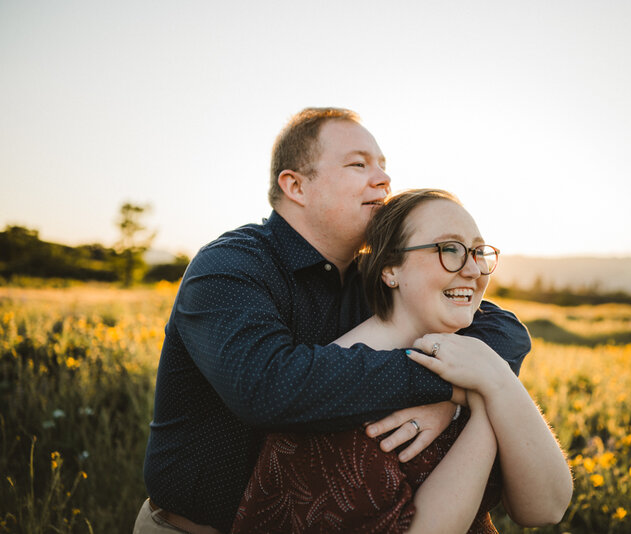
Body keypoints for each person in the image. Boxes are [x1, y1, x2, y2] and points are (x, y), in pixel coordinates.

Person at [135, 109, 532, 533]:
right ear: (296, 186)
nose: (383, 180)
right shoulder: (230, 267)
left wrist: (450, 398)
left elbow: (503, 330)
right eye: (359, 164)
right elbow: (269, 388)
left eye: (383, 167)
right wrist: (453, 385)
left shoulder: (373, 275)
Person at [231, 189, 572, 533]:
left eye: (478, 252)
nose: (473, 270)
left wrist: (494, 379)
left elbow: (546, 508)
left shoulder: (473, 356)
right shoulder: (340, 394)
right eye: (449, 249)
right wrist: (484, 401)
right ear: (390, 268)